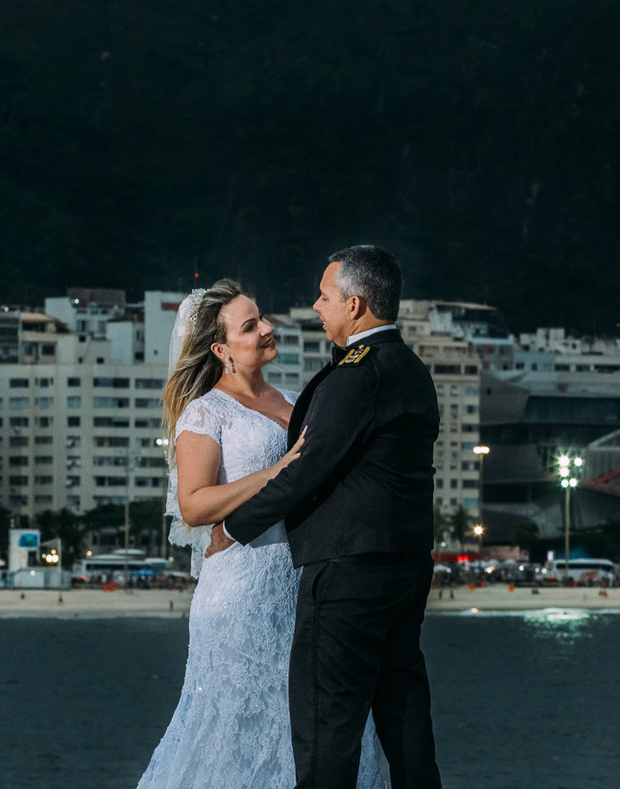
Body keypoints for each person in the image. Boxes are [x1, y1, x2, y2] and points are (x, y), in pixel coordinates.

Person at [212, 245, 443, 789]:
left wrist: (233, 527)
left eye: (325, 295)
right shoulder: (412, 369)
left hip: (346, 572)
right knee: (404, 710)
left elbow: (307, 469)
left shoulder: (358, 375)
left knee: (325, 728)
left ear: (355, 305)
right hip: (406, 568)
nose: (316, 306)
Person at [136, 279, 383, 789]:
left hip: (301, 588)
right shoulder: (204, 412)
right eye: (251, 326)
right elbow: (194, 504)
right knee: (233, 731)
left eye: (262, 318)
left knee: (311, 724)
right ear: (221, 349)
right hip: (238, 597)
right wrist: (276, 472)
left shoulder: (299, 401)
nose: (268, 329)